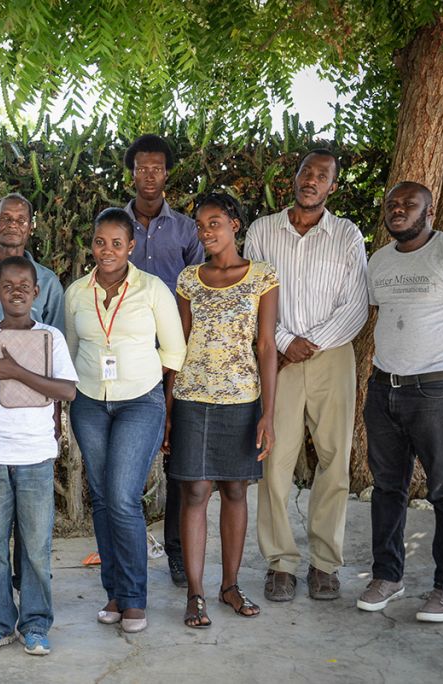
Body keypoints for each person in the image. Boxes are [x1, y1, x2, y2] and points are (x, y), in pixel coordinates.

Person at [358, 181, 443, 622]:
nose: (398, 210)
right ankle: (387, 576)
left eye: (409, 204)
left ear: (429, 211)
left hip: (437, 392)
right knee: (387, 489)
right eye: (392, 204)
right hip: (384, 389)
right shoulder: (378, 261)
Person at [244, 148, 368, 603]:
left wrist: (309, 342)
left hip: (332, 357)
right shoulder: (261, 232)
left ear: (332, 186)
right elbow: (252, 296)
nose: (312, 180)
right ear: (293, 178)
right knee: (274, 460)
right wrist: (282, 342)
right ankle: (280, 563)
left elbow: (356, 303)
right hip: (279, 360)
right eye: (306, 172)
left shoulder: (347, 236)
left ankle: (324, 563)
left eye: (322, 176)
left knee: (334, 460)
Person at [65, 208, 187, 633]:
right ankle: (113, 593)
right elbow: (71, 346)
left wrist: (162, 405)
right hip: (89, 402)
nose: (108, 251)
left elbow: (174, 352)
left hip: (139, 401)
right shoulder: (77, 292)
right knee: (101, 498)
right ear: (92, 243)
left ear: (131, 246)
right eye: (100, 242)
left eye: (117, 243)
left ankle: (135, 598)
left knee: (121, 497)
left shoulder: (153, 289)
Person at [164, 193, 279, 628]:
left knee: (235, 491)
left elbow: (266, 346)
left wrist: (268, 412)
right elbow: (177, 347)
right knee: (194, 492)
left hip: (242, 401)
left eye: (214, 222)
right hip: (193, 398)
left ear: (235, 223)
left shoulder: (262, 277)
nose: (206, 232)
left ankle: (229, 586)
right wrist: (170, 410)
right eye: (200, 226)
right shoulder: (189, 279)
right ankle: (195, 594)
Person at [0, 256, 78, 656]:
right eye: (7, 286)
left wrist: (16, 371)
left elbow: (67, 391)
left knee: (36, 546)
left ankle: (36, 624)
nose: (16, 291)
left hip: (36, 457)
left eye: (24, 285)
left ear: (37, 292)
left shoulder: (51, 339)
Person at [122, 134, 204, 587]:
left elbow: (198, 289)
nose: (149, 175)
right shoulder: (114, 222)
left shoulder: (187, 230)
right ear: (132, 172)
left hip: (177, 354)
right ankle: (125, 548)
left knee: (177, 456)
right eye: (141, 167)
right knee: (126, 459)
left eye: (157, 168)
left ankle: (176, 552)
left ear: (166, 173)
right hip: (127, 353)